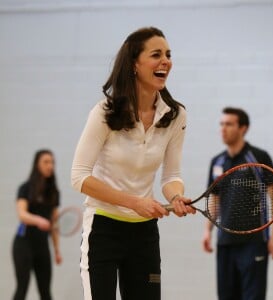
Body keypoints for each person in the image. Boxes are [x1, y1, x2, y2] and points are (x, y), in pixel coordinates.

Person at [71, 26, 195, 300]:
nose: (166, 61)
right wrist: (134, 202)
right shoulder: (105, 112)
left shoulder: (176, 116)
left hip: (144, 233)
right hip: (103, 229)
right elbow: (79, 177)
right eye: (156, 55)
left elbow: (171, 175)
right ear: (134, 65)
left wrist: (175, 196)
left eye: (168, 54)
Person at [202, 107, 273, 300]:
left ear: (243, 128)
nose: (223, 128)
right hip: (225, 243)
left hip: (254, 243)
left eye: (229, 124)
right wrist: (207, 231)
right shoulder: (217, 162)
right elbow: (215, 198)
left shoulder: (259, 158)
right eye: (221, 124)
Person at [12, 149, 62, 300]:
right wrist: (38, 220)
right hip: (23, 244)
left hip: (42, 246)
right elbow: (22, 214)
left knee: (46, 293)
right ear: (37, 164)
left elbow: (54, 225)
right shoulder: (25, 188)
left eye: (52, 162)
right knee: (22, 288)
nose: (50, 166)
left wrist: (57, 250)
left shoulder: (54, 193)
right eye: (46, 162)